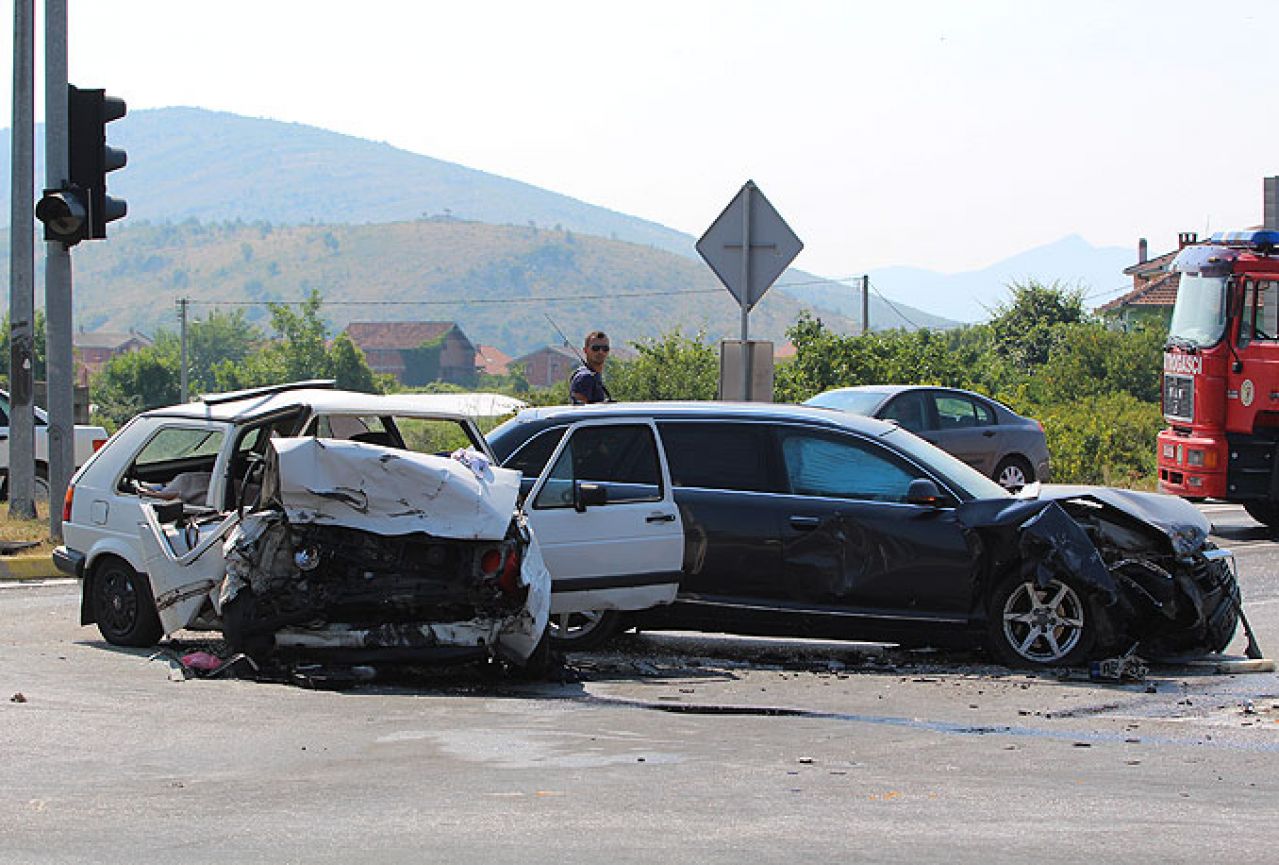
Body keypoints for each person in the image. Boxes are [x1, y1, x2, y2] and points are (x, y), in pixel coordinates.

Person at [570, 330, 612, 405]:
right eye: (596, 348)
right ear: (585, 350)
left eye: (605, 348)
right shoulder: (585, 377)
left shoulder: (595, 375)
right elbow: (579, 412)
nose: (601, 352)